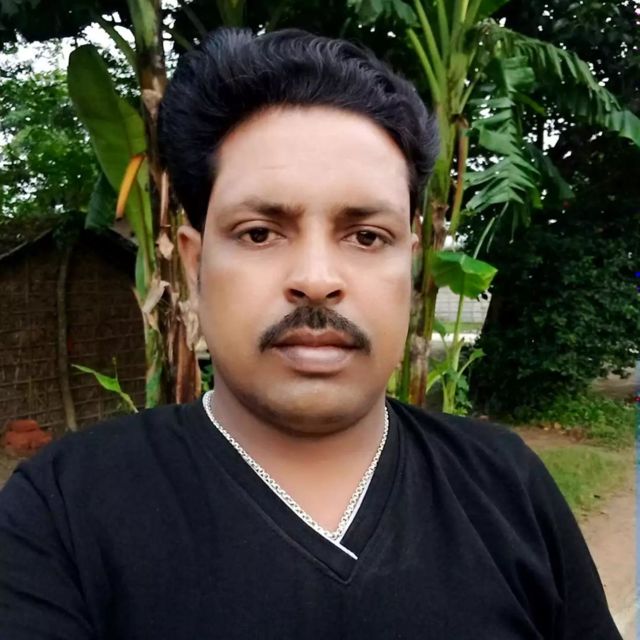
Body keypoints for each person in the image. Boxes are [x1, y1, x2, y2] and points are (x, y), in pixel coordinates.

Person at [0, 27, 621, 640]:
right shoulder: (62, 511)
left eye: (366, 236)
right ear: (193, 266)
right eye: (260, 233)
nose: (317, 280)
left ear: (410, 266)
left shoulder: (507, 485)